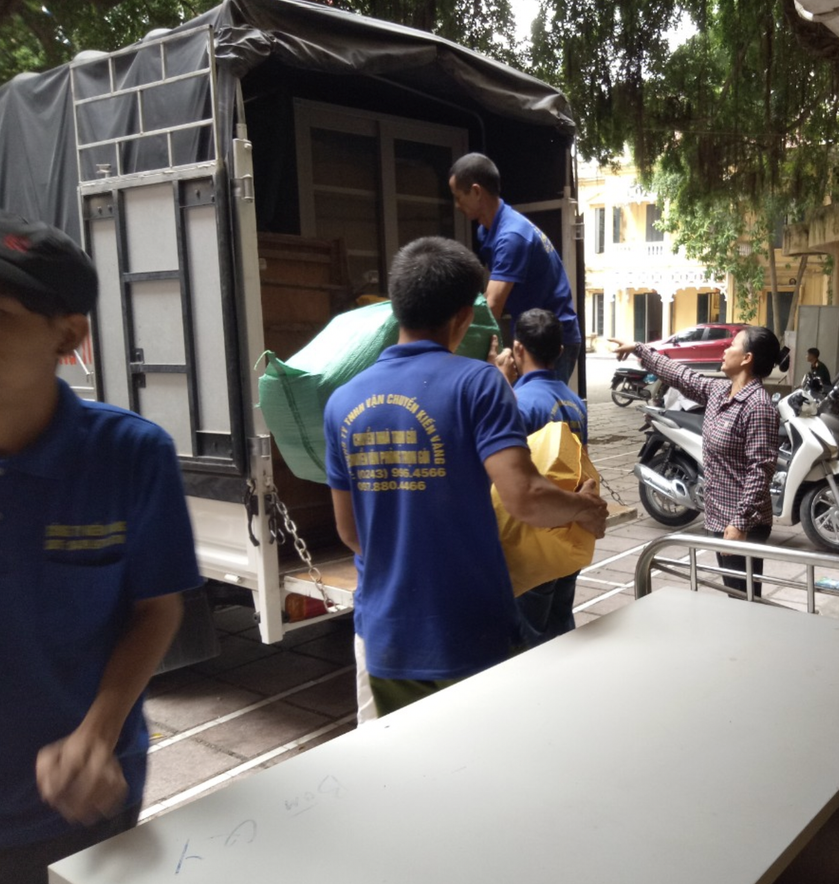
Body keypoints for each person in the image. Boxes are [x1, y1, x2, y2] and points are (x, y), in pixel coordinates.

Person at [323, 237, 606, 716]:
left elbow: (350, 533)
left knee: (405, 758)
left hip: (386, 635)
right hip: (468, 629)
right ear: (462, 317)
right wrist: (585, 508)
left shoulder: (342, 402)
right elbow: (524, 496)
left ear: (397, 308)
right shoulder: (479, 383)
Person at [0, 213, 201, 884]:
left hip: (77, 803)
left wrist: (98, 731)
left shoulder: (130, 455)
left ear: (68, 335)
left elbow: (157, 609)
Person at [610, 328, 786, 596]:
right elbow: (681, 376)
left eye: (733, 345)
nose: (725, 350)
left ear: (747, 358)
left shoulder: (758, 406)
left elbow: (761, 470)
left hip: (743, 522)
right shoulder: (720, 392)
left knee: (745, 599)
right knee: (737, 596)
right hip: (719, 516)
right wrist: (638, 349)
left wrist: (739, 523)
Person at [494, 309, 588, 644]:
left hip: (532, 542)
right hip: (570, 532)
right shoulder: (575, 402)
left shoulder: (519, 403)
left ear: (518, 348)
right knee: (562, 626)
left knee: (529, 640)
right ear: (560, 351)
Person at [448, 152, 582, 385]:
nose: (456, 205)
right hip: (529, 334)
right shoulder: (487, 230)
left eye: (459, 197)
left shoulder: (512, 236)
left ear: (477, 192)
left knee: (539, 403)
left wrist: (451, 349)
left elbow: (492, 305)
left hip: (552, 339)